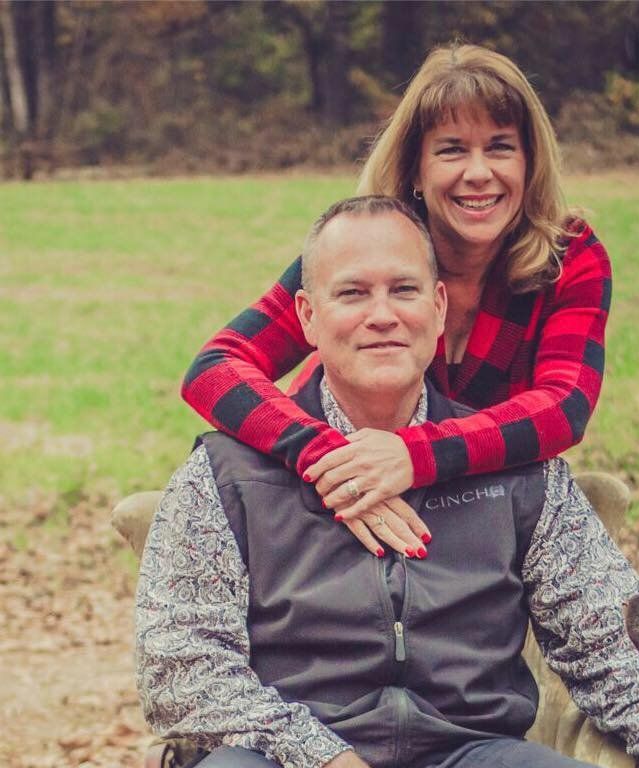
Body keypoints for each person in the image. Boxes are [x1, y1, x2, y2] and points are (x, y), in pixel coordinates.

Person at [135, 197, 639, 768]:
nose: (381, 313)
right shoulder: (225, 472)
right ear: (308, 318)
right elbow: (175, 664)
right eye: (352, 293)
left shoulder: (513, 468)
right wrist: (321, 759)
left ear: (440, 306)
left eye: (403, 290)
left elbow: (613, 644)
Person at [181, 43, 612, 557]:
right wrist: (327, 456)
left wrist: (416, 454)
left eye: (500, 147)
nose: (479, 172)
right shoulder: (372, 245)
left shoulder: (569, 257)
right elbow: (215, 367)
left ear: (530, 161)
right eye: (452, 149)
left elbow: (565, 408)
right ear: (415, 168)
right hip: (337, 495)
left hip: (473, 505)